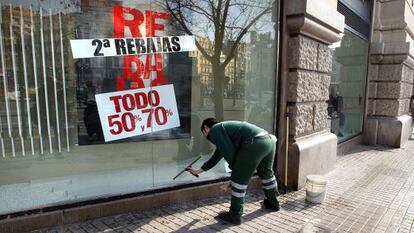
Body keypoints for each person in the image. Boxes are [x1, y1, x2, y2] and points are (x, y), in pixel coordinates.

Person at [186, 118, 280, 225]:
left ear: (206, 128)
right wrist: (197, 171)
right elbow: (216, 157)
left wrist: (236, 173)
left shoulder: (215, 130)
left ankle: (235, 215)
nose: (206, 137)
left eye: (204, 133)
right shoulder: (224, 130)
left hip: (255, 143)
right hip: (268, 141)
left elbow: (230, 154)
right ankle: (274, 203)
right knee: (267, 175)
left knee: (239, 182)